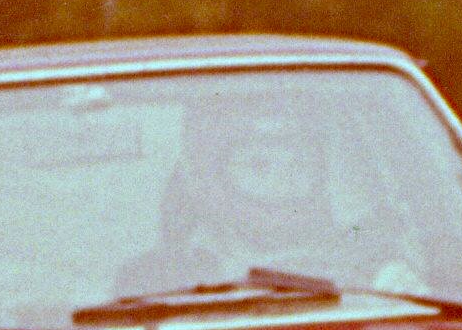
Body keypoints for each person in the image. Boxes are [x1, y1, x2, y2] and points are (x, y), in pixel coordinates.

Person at [117, 103, 352, 297]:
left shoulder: (355, 262)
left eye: (298, 164)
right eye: (258, 166)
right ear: (215, 178)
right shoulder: (152, 280)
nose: (282, 181)